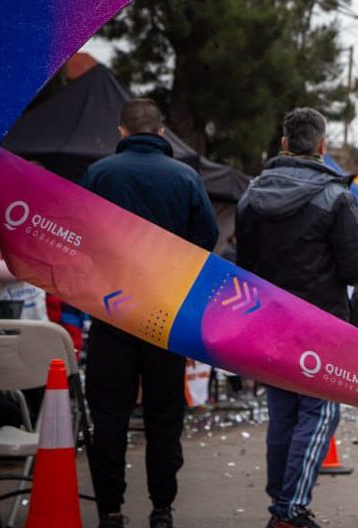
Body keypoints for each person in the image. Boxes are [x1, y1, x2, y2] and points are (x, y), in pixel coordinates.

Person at [80, 99, 219, 528]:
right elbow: (207, 238)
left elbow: (78, 236)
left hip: (111, 312)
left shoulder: (99, 174)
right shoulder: (186, 177)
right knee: (163, 416)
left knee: (109, 417)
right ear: (161, 134)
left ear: (122, 131)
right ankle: (161, 509)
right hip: (165, 315)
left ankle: (110, 511)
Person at [236, 107, 358, 528]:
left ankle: (281, 505)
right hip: (319, 324)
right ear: (321, 146)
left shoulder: (251, 196)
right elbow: (357, 267)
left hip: (268, 320)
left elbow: (243, 264)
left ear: (283, 144)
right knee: (320, 412)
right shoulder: (335, 196)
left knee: (284, 413)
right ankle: (291, 509)